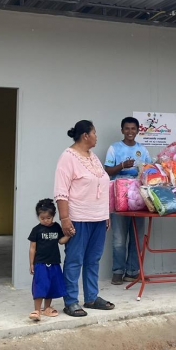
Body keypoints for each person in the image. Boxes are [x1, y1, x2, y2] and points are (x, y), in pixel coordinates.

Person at [54, 120, 114, 317]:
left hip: (99, 218)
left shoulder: (93, 157)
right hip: (78, 218)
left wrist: (105, 214)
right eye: (94, 133)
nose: (97, 137)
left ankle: (91, 298)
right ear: (85, 136)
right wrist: (65, 219)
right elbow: (61, 192)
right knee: (74, 260)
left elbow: (102, 187)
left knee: (93, 259)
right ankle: (71, 301)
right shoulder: (68, 157)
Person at [104, 116, 153, 285]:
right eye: (127, 128)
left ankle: (132, 272)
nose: (130, 132)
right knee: (119, 238)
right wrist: (122, 166)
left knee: (137, 237)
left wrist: (147, 170)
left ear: (138, 131)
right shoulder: (114, 148)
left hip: (139, 197)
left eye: (133, 129)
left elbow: (150, 171)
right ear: (122, 130)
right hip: (119, 197)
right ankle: (117, 272)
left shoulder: (143, 150)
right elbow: (107, 171)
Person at [28, 198, 70, 321]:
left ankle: (47, 308)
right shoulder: (36, 230)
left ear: (53, 216)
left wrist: (68, 235)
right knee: (40, 285)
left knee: (51, 285)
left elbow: (61, 241)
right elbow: (32, 248)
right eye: (42, 218)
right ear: (38, 217)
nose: (45, 220)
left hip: (54, 262)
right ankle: (37, 310)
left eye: (48, 218)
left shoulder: (56, 227)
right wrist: (32, 263)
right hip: (40, 263)